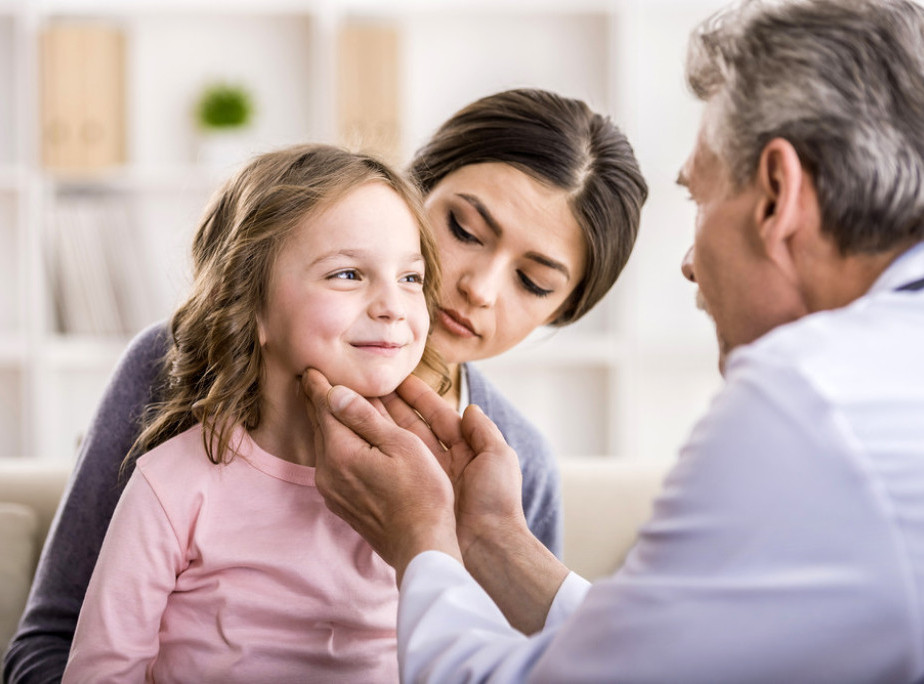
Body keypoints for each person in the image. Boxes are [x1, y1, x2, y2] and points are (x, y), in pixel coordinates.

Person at [299, 0, 924, 681]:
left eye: (700, 199)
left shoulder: (805, 398)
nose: (688, 262)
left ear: (777, 196)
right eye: (466, 230)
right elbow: (671, 655)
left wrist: (423, 538)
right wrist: (490, 539)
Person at [4, 88, 647, 682]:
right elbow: (50, 646)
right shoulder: (178, 366)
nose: (480, 287)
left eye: (534, 282)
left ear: (562, 311)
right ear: (413, 192)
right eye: (464, 230)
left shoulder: (511, 464)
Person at [61, 143, 447, 681]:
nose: (393, 306)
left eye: (410, 278)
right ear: (251, 305)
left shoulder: (428, 483)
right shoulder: (173, 484)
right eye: (347, 274)